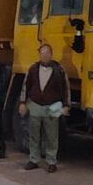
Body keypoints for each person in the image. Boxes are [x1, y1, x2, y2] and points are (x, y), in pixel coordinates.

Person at [20, 43, 70, 173]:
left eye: (47, 53)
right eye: (42, 53)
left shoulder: (59, 70)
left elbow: (66, 89)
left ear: (51, 54)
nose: (45, 55)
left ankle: (51, 161)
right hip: (35, 104)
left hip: (53, 106)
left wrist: (66, 106)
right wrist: (23, 102)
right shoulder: (33, 69)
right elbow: (26, 86)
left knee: (52, 136)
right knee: (34, 134)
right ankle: (33, 159)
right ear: (39, 54)